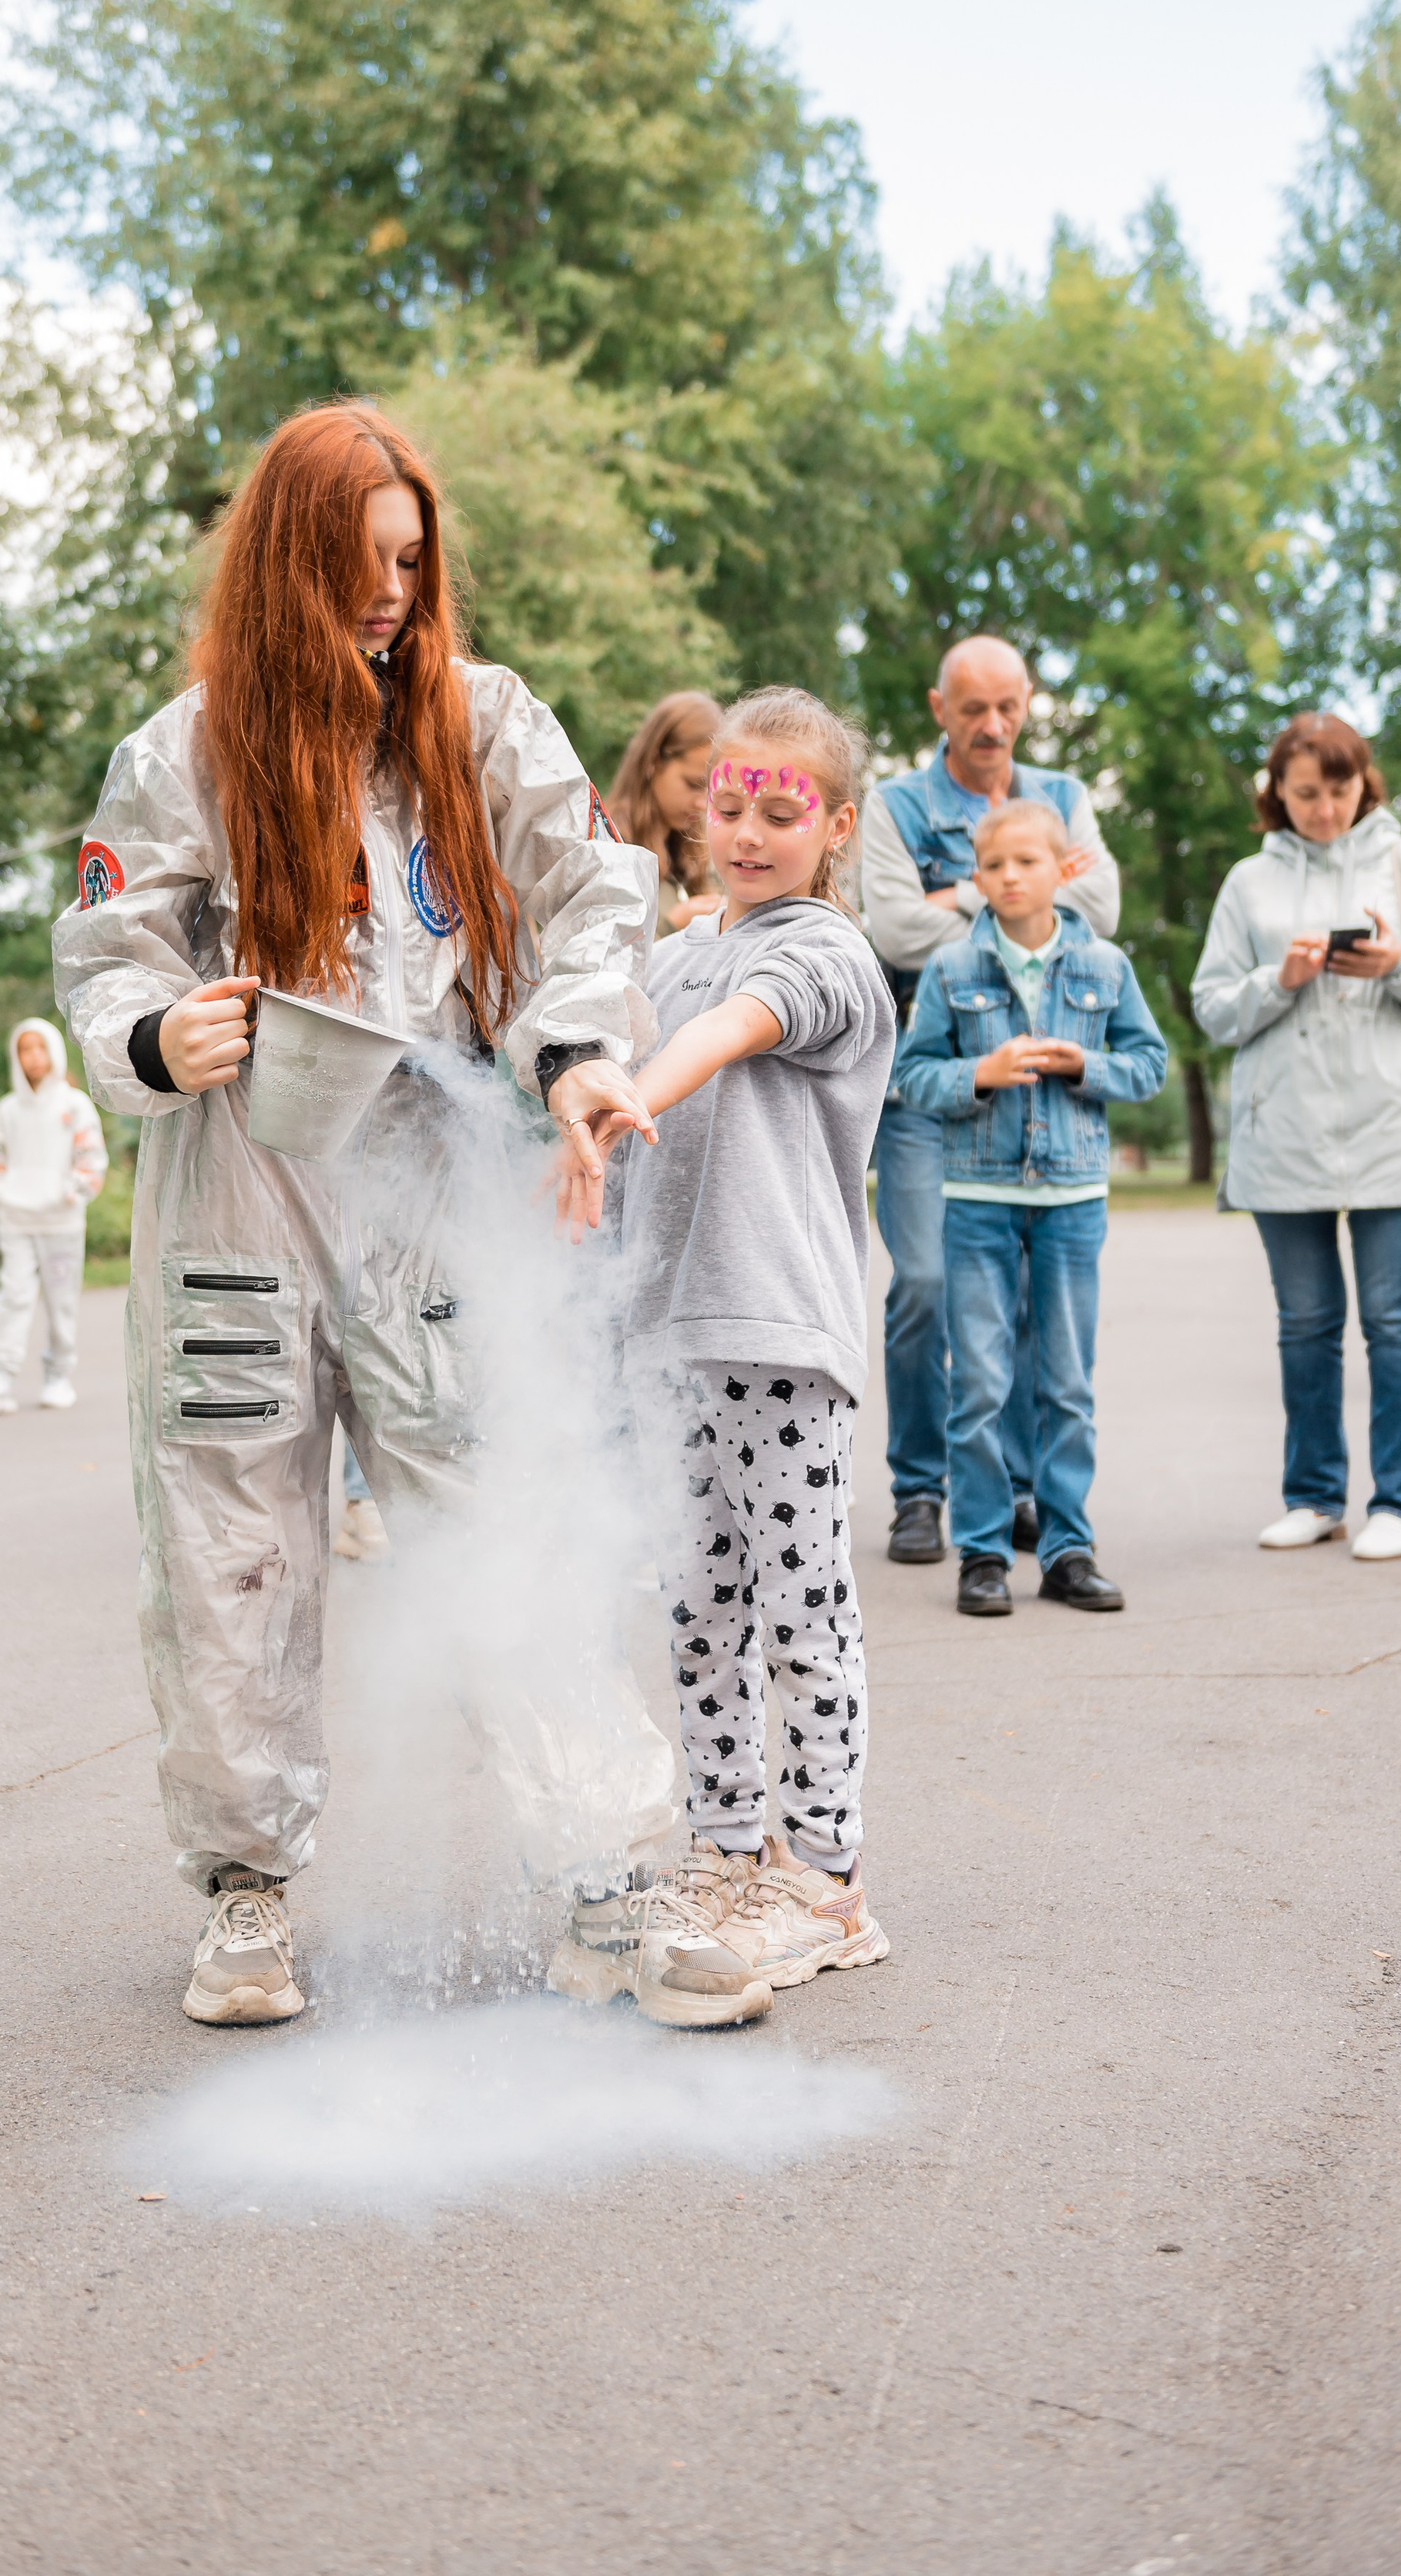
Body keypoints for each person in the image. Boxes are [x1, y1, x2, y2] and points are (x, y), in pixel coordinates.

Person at [52, 400, 665, 2027]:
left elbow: (593, 899)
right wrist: (157, 1030)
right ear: (287, 562)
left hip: (432, 1185)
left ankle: (598, 1868)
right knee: (231, 1542)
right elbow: (112, 946)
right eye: (356, 561)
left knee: (495, 1508)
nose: (390, 592)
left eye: (409, 560)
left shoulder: (489, 728)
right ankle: (245, 1891)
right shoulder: (184, 749)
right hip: (236, 1194)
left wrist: (580, 1055)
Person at [545, 688, 896, 2028]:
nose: (747, 832)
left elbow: (730, 1031)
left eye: (781, 812)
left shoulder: (824, 954)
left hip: (779, 1337)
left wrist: (639, 1083)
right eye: (730, 806)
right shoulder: (685, 949)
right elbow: (629, 1038)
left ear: (838, 826)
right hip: (671, 1335)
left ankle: (824, 1881)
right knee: (700, 1613)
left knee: (804, 1614)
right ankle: (725, 1850)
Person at [861, 636, 1121, 1567]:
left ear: (1026, 703)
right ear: (940, 707)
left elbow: (1104, 913)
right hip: (929, 1080)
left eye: (1007, 706)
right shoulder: (895, 803)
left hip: (1038, 1091)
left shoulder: (1062, 793)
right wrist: (1020, 889)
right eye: (972, 708)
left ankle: (1011, 1491)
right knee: (927, 1284)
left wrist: (956, 892)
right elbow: (889, 927)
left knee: (1014, 1303)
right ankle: (919, 1488)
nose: (992, 726)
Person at [1191, 712, 1401, 1562]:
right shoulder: (1247, 881)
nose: (1323, 809)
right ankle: (1314, 1496)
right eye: (1305, 792)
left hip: (1392, 1129)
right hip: (1285, 1132)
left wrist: (1396, 967)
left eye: (1339, 789)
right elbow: (1212, 1007)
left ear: (1365, 784)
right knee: (1305, 1323)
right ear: (1276, 791)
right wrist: (1279, 980)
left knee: (1397, 1322)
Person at [897, 799, 1168, 1617]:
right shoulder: (949, 972)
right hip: (977, 1201)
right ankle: (981, 1553)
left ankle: (1066, 1548)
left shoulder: (1106, 967)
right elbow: (912, 1078)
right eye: (993, 866)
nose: (1009, 877)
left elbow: (1148, 1064)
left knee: (1065, 1383)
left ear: (1064, 868)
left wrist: (1086, 1062)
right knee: (978, 1380)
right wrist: (975, 1076)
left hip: (1071, 1201)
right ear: (974, 879)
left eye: (1027, 862)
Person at [0, 1019, 108, 1415]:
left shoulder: (73, 1105)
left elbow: (92, 1159)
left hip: (61, 1222)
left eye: (39, 1048)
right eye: (24, 1050)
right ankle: (0, 1377)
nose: (33, 1057)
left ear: (52, 1052)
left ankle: (58, 1377)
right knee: (13, 1296)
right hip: (16, 1220)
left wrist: (72, 1193)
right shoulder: (7, 1110)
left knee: (61, 1303)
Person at [606, 691, 725, 937]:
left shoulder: (697, 849)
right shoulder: (609, 848)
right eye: (693, 784)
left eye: (711, 790)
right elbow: (600, 960)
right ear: (654, 762)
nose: (703, 804)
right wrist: (676, 924)